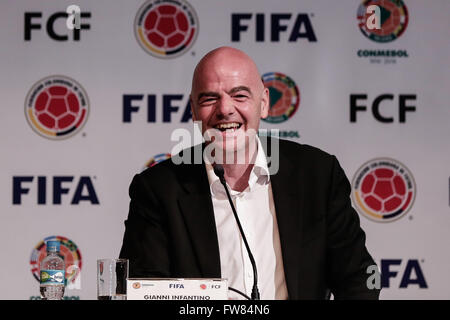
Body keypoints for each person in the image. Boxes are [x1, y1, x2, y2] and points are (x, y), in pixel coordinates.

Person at [119, 47, 380, 300]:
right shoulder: (158, 190)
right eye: (209, 98)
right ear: (193, 110)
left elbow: (358, 278)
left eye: (240, 95)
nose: (225, 109)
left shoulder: (317, 175)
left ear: (264, 103)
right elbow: (142, 289)